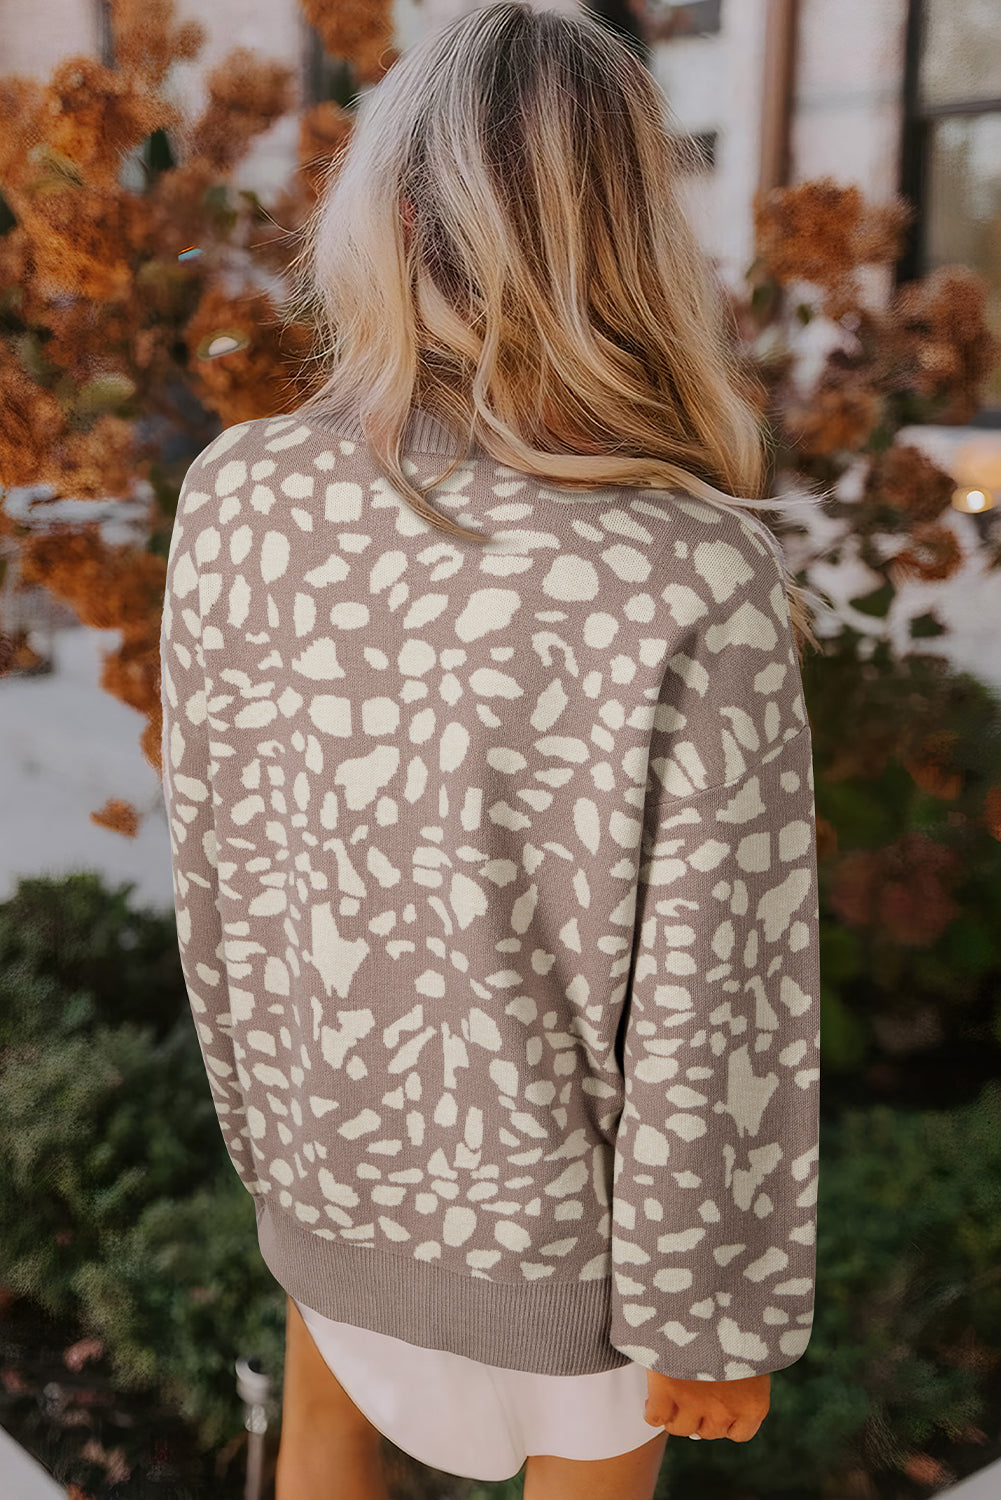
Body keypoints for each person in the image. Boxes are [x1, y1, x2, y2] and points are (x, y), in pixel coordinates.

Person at [158, 4, 824, 1498]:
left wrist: (280, 1154)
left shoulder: (238, 492)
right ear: (632, 234)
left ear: (392, 216)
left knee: (323, 1440)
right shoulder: (688, 571)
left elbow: (225, 871)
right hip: (574, 1259)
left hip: (327, 1172)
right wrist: (713, 1315)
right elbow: (721, 996)